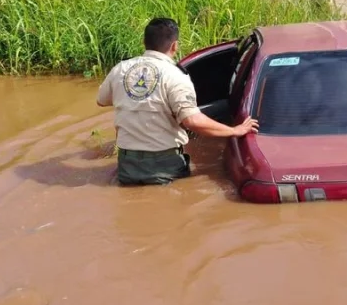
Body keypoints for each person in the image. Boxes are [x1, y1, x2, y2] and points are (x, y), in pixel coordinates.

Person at [96, 18, 259, 186]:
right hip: (164, 166)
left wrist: (135, 97)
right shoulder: (175, 76)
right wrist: (234, 130)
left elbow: (101, 100)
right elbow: (192, 121)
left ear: (144, 42)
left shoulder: (121, 69)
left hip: (126, 166)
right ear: (175, 46)